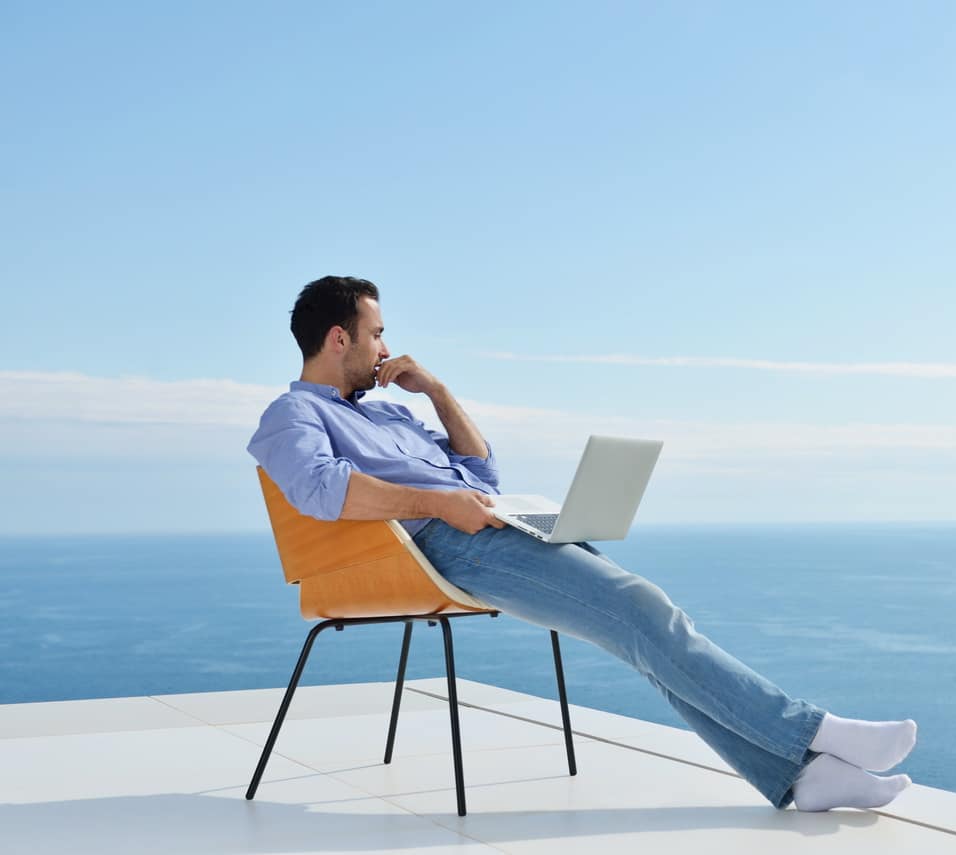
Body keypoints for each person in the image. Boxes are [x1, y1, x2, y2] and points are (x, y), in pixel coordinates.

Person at [248, 275, 917, 812]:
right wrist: (437, 502)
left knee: (642, 627)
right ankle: (814, 731)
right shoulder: (293, 414)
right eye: (377, 334)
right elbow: (318, 489)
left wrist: (440, 393)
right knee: (643, 611)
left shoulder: (391, 410)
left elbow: (483, 473)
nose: (387, 349)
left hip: (484, 525)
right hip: (442, 548)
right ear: (340, 338)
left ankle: (802, 779)